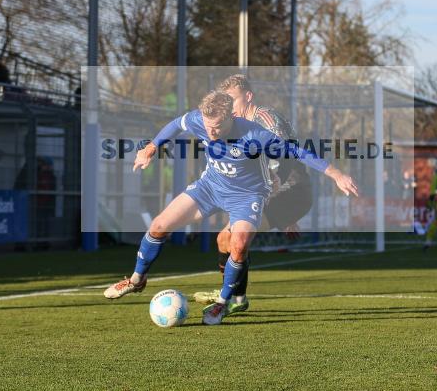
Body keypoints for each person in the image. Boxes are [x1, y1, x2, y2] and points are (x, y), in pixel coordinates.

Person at [102, 91, 358, 325]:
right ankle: (136, 281)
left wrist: (335, 174)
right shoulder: (198, 120)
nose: (210, 132)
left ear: (231, 117)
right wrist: (150, 148)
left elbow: (297, 151)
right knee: (158, 226)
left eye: (217, 127)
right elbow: (174, 125)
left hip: (247, 197)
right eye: (207, 126)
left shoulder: (254, 134)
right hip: (210, 188)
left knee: (238, 245)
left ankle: (222, 304)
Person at [192, 74, 313, 311]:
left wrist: (288, 209)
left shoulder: (267, 120)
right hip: (275, 194)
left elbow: (285, 159)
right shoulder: (235, 126)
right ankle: (236, 297)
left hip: (291, 191)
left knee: (233, 238)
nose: (228, 106)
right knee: (225, 239)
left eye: (233, 100)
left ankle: (227, 298)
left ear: (248, 97)